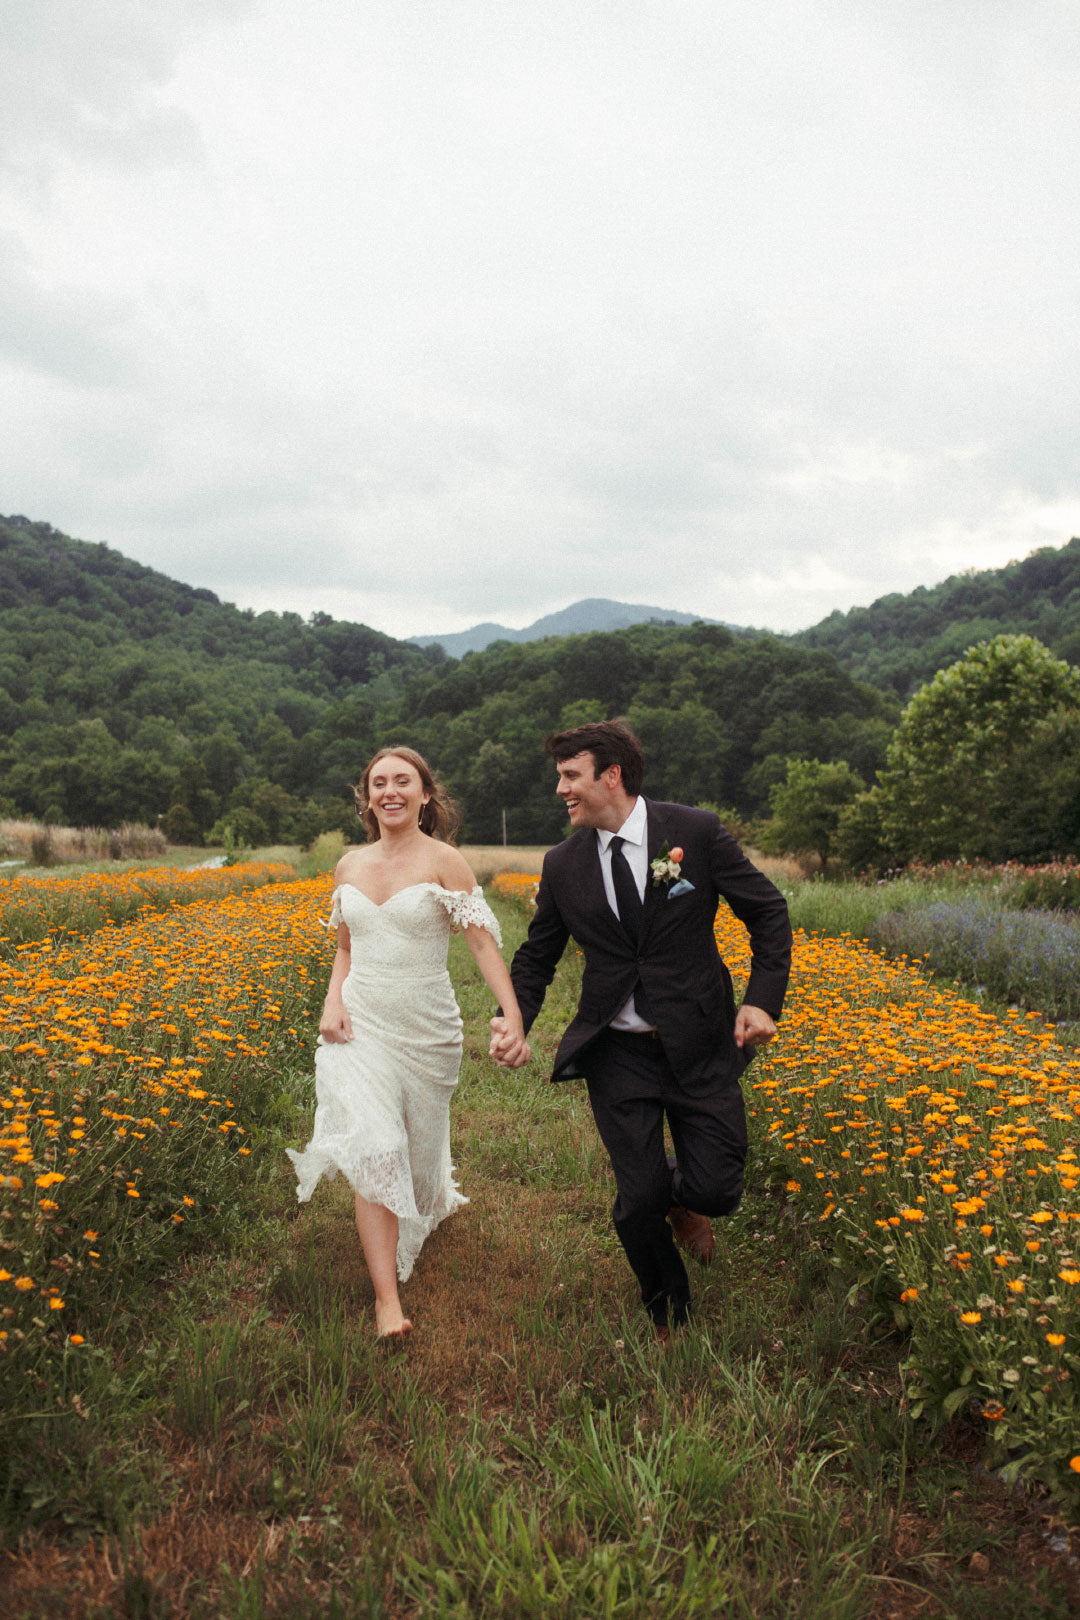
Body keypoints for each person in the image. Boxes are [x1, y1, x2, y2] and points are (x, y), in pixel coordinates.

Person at [490, 721, 791, 1342]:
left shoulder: (694, 833)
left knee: (718, 1187)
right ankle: (667, 1311)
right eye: (560, 777)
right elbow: (538, 955)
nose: (560, 789)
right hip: (618, 1052)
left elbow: (767, 911)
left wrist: (762, 1003)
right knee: (637, 1194)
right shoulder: (563, 863)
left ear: (612, 775)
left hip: (702, 1041)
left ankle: (688, 1201)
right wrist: (514, 1020)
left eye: (570, 775)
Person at [287, 745, 529, 1339]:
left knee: (417, 1161)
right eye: (378, 783)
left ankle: (430, 1196)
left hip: (428, 1030)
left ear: (425, 794)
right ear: (368, 798)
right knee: (376, 1147)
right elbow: (344, 948)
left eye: (403, 781)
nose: (390, 791)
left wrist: (513, 1016)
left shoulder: (447, 862)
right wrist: (331, 1001)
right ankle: (386, 1302)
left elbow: (480, 945)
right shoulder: (348, 866)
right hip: (362, 1026)